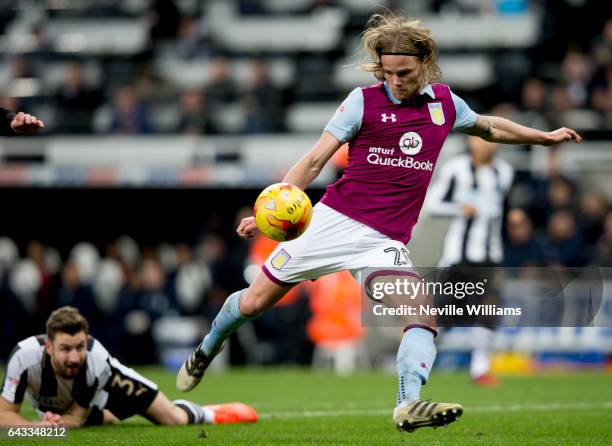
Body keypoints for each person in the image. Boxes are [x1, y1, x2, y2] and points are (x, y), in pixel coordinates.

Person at [177, 12, 582, 433]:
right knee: (253, 304)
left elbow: (489, 128)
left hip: (383, 243)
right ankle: (206, 349)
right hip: (332, 223)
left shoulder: (445, 105)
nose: (396, 81)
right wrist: (267, 211)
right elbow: (315, 159)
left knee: (422, 315)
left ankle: (408, 404)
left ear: (424, 64)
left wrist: (544, 136)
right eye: (388, 73)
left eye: (404, 73)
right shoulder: (362, 101)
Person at [0, 306, 258, 427]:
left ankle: (211, 413)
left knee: (173, 420)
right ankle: (107, 416)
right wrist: (38, 428)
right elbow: (4, 415)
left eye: (79, 347)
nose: (74, 357)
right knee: (107, 421)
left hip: (111, 383)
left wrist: (49, 428)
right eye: (65, 349)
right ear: (48, 347)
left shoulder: (96, 358)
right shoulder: (23, 358)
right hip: (64, 405)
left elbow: (75, 419)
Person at [427, 136, 514, 387]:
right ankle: (420, 362)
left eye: (490, 139)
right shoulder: (456, 168)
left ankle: (480, 370)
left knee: (488, 310)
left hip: (490, 256)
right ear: (470, 140)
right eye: (480, 138)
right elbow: (433, 204)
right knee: (443, 316)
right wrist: (459, 208)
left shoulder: (504, 172)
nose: (486, 144)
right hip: (457, 257)